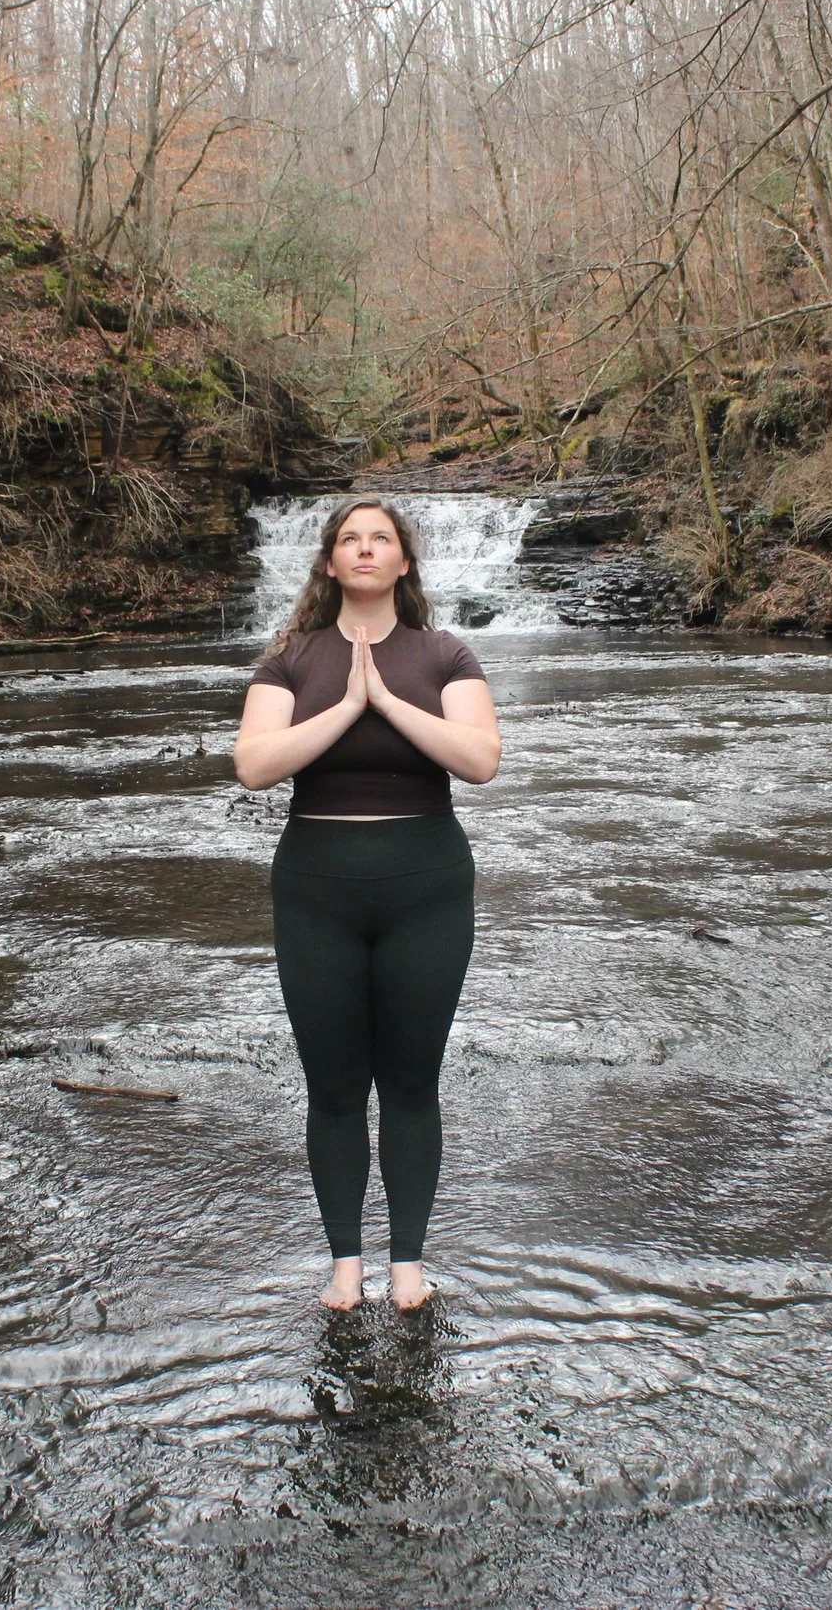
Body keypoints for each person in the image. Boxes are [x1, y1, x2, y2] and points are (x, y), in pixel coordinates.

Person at [233, 498, 502, 1312]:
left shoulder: (444, 654)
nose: (365, 548)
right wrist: (347, 705)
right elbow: (253, 765)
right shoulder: (290, 659)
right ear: (328, 562)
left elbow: (481, 759)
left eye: (380, 538)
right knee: (335, 1086)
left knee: (414, 1083)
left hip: (426, 887)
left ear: (404, 563)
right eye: (349, 538)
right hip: (317, 890)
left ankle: (409, 1264)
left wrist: (387, 701)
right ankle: (346, 1263)